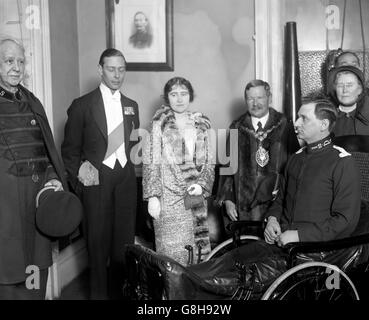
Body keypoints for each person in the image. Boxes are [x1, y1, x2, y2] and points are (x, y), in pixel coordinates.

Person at [196, 98, 361, 291]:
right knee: (227, 260)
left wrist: (298, 235)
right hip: (280, 243)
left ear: (324, 125)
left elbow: (344, 221)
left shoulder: (341, 162)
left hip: (313, 252)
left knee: (234, 276)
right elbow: (280, 200)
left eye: (304, 118)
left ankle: (186, 281)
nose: (296, 123)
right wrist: (272, 219)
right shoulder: (296, 159)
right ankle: (183, 276)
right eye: (297, 117)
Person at [61, 48, 140, 300]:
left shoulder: (131, 106)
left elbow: (132, 146)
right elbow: (70, 152)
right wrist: (82, 182)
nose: (117, 75)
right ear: (100, 69)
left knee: (123, 251)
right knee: (97, 251)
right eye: (111, 68)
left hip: (126, 182)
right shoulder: (82, 106)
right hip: (97, 184)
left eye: (121, 69)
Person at [0, 38, 67, 299]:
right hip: (5, 213)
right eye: (8, 61)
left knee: (35, 277)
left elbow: (46, 151)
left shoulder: (32, 101)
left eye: (20, 61)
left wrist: (53, 178)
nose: (16, 67)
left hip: (35, 207)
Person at [142, 77, 215, 266]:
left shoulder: (201, 124)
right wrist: (153, 196)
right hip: (168, 202)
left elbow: (209, 162)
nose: (179, 99)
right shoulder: (159, 124)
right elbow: (151, 162)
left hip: (194, 198)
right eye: (174, 94)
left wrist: (202, 185)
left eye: (183, 94)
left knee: (196, 258)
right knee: (171, 260)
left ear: (190, 96)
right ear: (167, 98)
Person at [216, 80, 299, 225]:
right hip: (244, 206)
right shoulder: (237, 127)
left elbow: (294, 164)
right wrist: (228, 199)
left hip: (275, 204)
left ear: (269, 98)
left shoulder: (284, 125)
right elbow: (228, 167)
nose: (255, 103)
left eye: (260, 97)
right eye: (250, 99)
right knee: (246, 245)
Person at [327, 65, 369, 136]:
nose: (345, 90)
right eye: (340, 85)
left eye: (349, 85)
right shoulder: (325, 115)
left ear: (360, 89)